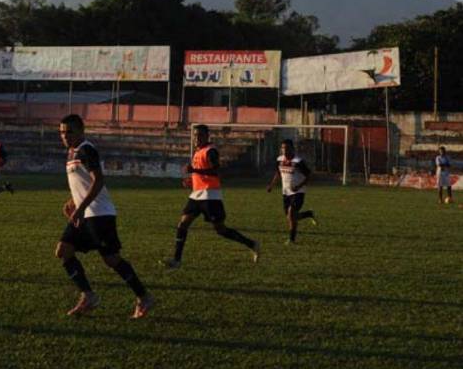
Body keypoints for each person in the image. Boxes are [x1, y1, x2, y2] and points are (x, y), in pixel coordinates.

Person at [56, 114, 153, 318]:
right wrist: (73, 201)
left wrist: (80, 207)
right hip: (84, 213)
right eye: (62, 132)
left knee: (111, 259)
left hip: (99, 214)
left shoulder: (85, 149)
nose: (65, 136)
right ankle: (88, 296)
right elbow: (83, 183)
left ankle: (143, 297)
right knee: (64, 251)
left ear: (81, 131)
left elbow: (98, 180)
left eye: (69, 131)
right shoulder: (71, 153)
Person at [163, 124, 260, 268]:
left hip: (210, 195)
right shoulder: (198, 152)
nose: (197, 138)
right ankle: (176, 260)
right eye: (195, 135)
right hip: (196, 195)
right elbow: (202, 172)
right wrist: (192, 179)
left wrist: (194, 170)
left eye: (200, 135)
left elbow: (216, 172)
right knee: (182, 224)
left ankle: (252, 244)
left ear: (207, 136)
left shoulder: (211, 151)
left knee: (220, 230)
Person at [266, 139, 318, 244]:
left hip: (298, 192)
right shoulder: (279, 159)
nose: (284, 150)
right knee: (291, 217)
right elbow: (278, 173)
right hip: (285, 192)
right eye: (283, 148)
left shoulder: (298, 161)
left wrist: (298, 186)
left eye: (287, 148)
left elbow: (309, 175)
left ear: (292, 148)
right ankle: (308, 214)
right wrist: (272, 185)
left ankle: (291, 239)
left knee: (291, 214)